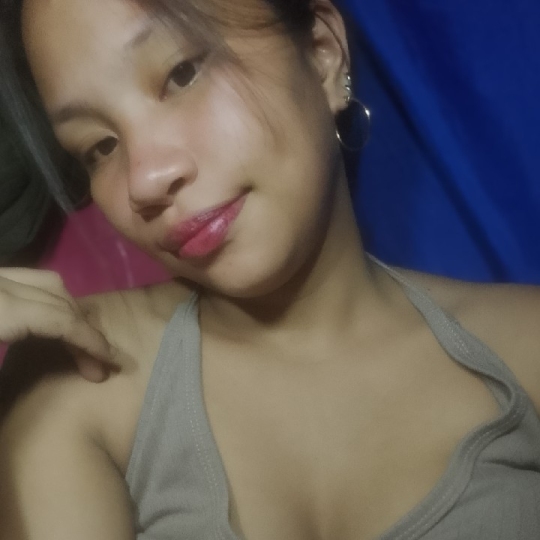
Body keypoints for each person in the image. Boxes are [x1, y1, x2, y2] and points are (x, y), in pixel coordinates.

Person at [1, 0, 540, 538]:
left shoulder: (524, 346)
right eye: (99, 147)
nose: (144, 180)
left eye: (181, 74)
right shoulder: (77, 362)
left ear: (322, 53)